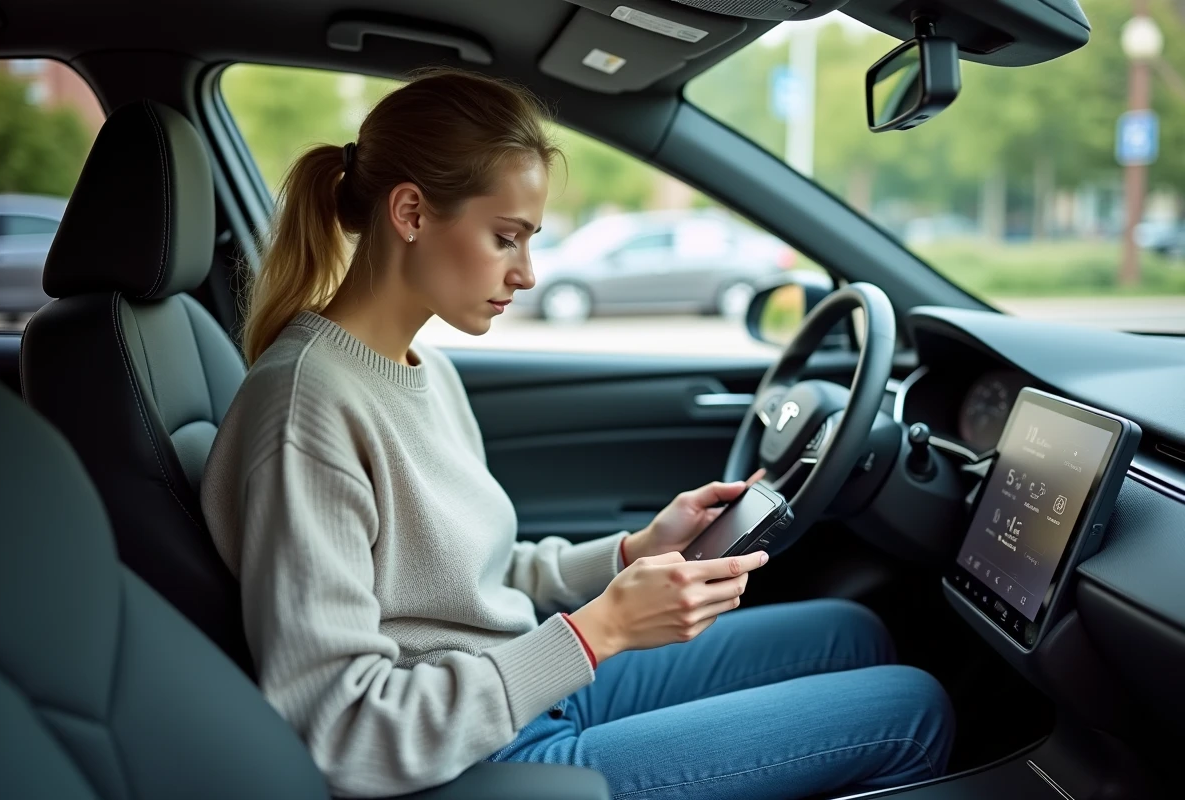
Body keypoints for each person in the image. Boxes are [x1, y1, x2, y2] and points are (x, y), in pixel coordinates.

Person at [201, 69, 954, 800]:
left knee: (851, 632)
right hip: (480, 755)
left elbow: (473, 582)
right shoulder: (308, 409)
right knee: (914, 711)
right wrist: (598, 632)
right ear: (410, 214)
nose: (528, 273)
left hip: (520, 684)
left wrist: (634, 552)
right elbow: (341, 731)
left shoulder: (421, 367)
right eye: (506, 237)